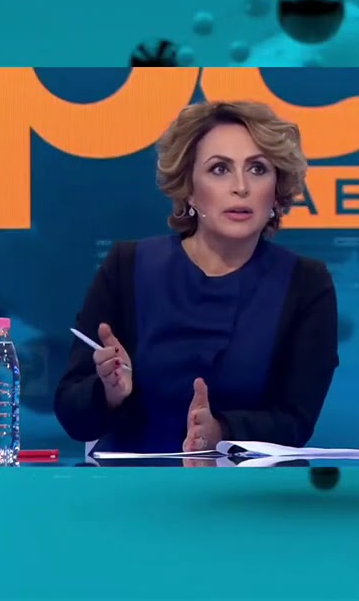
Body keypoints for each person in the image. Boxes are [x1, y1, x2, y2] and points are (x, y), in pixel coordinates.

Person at [53, 101, 339, 455]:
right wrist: (109, 393)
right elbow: (72, 414)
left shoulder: (305, 283)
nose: (241, 187)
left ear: (277, 191)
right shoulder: (128, 266)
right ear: (188, 188)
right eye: (220, 169)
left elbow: (295, 421)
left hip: (245, 485)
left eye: (257, 169)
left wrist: (220, 433)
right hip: (131, 482)